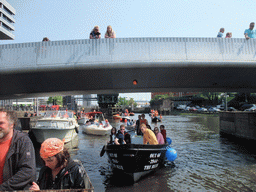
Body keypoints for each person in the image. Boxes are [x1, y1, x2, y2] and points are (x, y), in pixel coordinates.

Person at [0, 109, 36, 191]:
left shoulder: (23, 141)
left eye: (1, 123)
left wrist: (3, 188)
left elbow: (27, 171)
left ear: (11, 124)